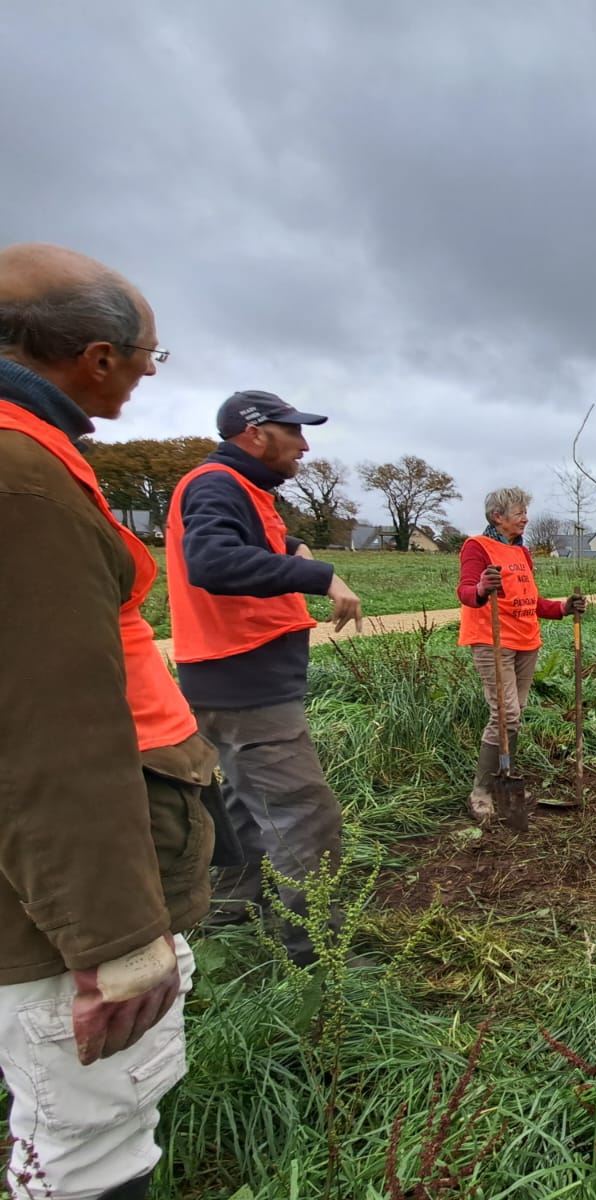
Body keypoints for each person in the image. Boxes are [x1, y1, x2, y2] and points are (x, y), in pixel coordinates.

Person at [0, 242, 215, 1200]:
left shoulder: (35, 464)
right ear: (95, 356)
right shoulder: (23, 485)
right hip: (63, 911)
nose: (144, 375)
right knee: (90, 1147)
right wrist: (118, 944)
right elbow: (50, 733)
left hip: (51, 882)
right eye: (148, 356)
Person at [166, 390, 363, 967]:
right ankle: (320, 958)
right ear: (255, 435)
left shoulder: (244, 491)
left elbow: (266, 542)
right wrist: (319, 575)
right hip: (245, 683)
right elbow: (213, 560)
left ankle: (233, 915)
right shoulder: (216, 485)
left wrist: (298, 548)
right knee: (303, 813)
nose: (303, 445)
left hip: (228, 679)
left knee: (241, 803)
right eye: (292, 432)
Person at [456, 486, 584, 819]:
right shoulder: (477, 547)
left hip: (527, 640)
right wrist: (483, 588)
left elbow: (532, 601)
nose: (525, 518)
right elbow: (467, 591)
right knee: (505, 714)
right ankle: (482, 790)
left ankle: (505, 779)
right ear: (498, 517)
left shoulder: (522, 552)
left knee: (514, 714)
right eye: (519, 513)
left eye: (525, 511)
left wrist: (562, 608)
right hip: (492, 640)